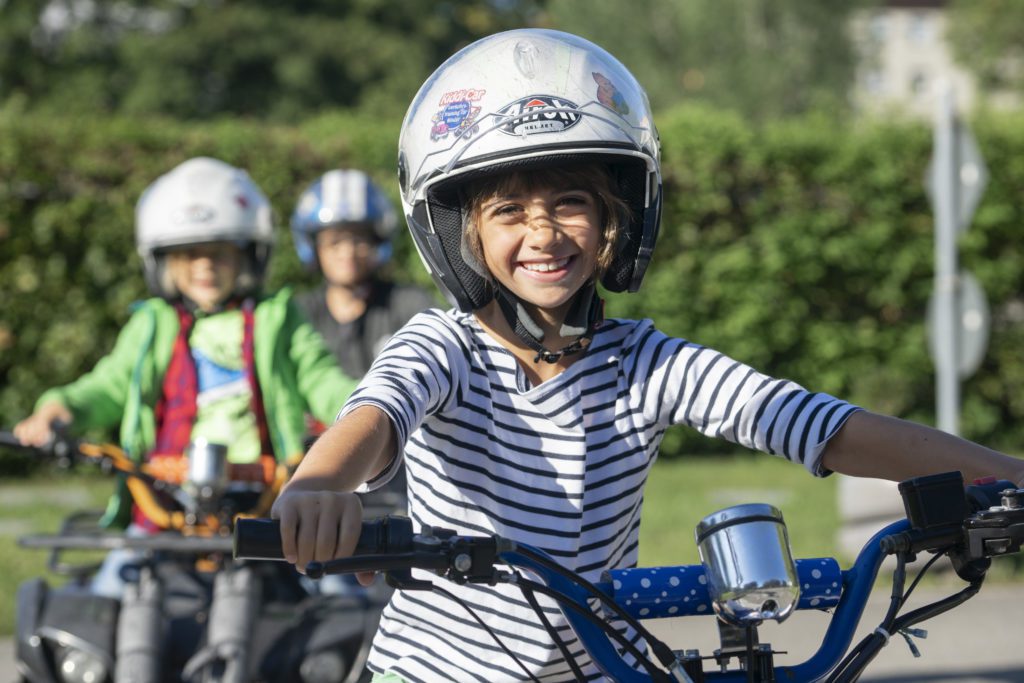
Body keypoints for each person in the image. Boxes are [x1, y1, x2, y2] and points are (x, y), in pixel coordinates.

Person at [270, 29, 1024, 683]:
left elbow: (818, 424)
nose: (543, 232)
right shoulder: (445, 345)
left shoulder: (647, 362)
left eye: (571, 202)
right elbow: (377, 414)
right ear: (457, 234)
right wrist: (318, 485)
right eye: (508, 211)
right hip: (437, 667)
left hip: (606, 662)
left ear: (614, 223)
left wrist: (1005, 475)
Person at [14, 156, 357, 542]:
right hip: (164, 498)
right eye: (190, 253)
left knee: (330, 587)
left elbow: (320, 377)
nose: (205, 265)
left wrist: (366, 407)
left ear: (246, 257)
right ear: (165, 262)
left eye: (220, 252)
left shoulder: (274, 317)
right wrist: (58, 409)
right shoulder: (153, 323)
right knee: (118, 584)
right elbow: (108, 385)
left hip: (264, 499)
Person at [290, 168, 437, 380]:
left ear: (376, 242)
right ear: (314, 248)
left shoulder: (409, 306)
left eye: (359, 239)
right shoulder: (299, 315)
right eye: (334, 242)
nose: (347, 252)